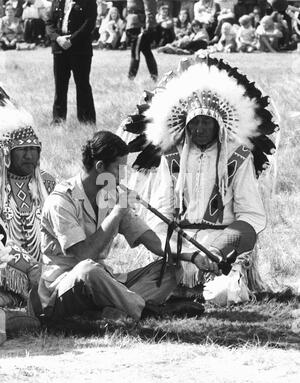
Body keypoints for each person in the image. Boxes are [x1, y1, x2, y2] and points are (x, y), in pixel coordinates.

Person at [119, 55, 278, 305]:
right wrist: (179, 252)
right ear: (185, 123)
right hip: (180, 248)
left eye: (206, 122)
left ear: (219, 125)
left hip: (222, 248)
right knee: (150, 291)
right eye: (194, 122)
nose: (199, 128)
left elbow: (251, 215)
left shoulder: (237, 156)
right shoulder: (171, 155)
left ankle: (210, 284)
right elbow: (159, 212)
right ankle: (181, 285)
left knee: (222, 294)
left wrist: (219, 249)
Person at [36, 131, 213, 324]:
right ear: (100, 167)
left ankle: (114, 310)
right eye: (119, 168)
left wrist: (192, 256)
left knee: (171, 267)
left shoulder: (111, 195)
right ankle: (147, 311)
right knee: (88, 270)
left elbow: (152, 241)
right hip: (66, 288)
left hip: (104, 284)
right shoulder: (61, 201)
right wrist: (117, 212)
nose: (123, 176)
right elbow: (83, 256)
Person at [0, 86, 55, 344]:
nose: (30, 155)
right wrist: (25, 264)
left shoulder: (49, 184)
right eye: (22, 149)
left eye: (34, 149)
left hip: (46, 272)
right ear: (6, 153)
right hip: (8, 270)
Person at [46, 0, 97, 125]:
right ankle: (58, 121)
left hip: (80, 49)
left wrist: (71, 40)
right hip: (59, 49)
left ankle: (86, 122)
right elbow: (49, 23)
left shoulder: (88, 2)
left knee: (82, 85)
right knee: (60, 87)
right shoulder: (57, 2)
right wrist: (57, 38)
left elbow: (89, 23)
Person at [125, 0, 158, 81]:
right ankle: (154, 76)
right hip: (132, 24)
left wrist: (148, 26)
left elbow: (150, 8)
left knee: (135, 52)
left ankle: (131, 77)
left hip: (139, 25)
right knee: (146, 51)